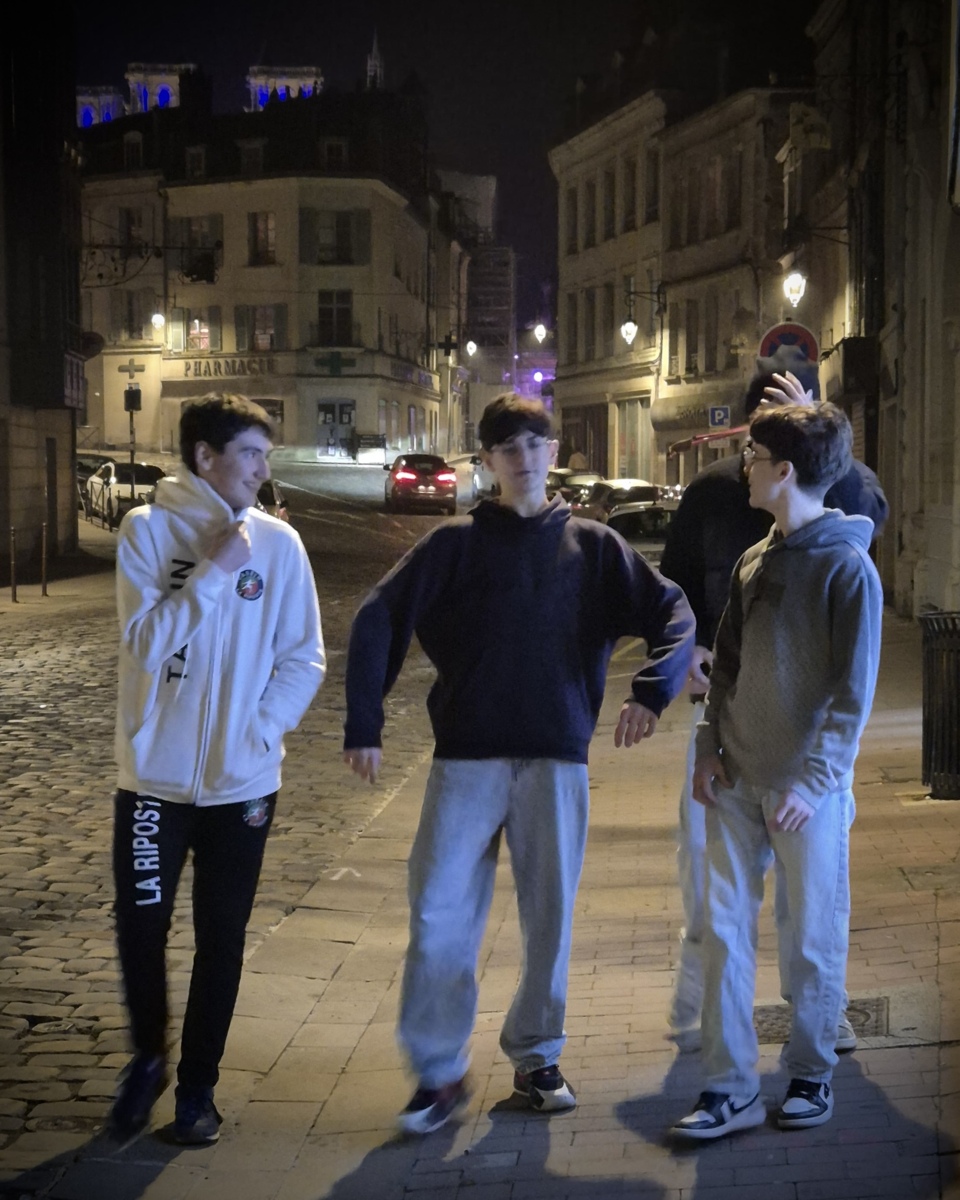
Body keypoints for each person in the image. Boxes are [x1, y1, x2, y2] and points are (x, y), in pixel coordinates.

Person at [343, 394, 695, 1136]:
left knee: (549, 918)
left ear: (552, 451)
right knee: (438, 915)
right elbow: (379, 615)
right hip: (466, 759)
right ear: (487, 461)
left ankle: (537, 1060)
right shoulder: (454, 545)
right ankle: (438, 1073)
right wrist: (363, 721)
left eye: (535, 443)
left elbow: (673, 612)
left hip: (555, 759)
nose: (524, 458)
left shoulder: (595, 548)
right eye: (508, 447)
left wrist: (652, 691)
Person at [108, 394, 325, 1145]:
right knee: (142, 926)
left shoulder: (281, 545)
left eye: (267, 456)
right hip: (152, 782)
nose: (263, 470)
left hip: (243, 786)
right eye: (251, 454)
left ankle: (198, 1088)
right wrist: (212, 571)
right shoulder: (146, 531)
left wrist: (259, 732)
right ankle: (148, 1060)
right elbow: (144, 644)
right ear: (207, 457)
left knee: (221, 937)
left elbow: (303, 657)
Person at [659, 362, 888, 1052]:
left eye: (760, 450)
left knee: (809, 908)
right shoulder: (726, 517)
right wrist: (689, 665)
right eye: (750, 442)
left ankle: (816, 1027)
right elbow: (687, 607)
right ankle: (711, 1025)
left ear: (789, 463)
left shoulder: (841, 543)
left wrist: (817, 430)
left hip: (804, 758)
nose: (746, 461)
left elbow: (853, 690)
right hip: (735, 742)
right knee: (715, 896)